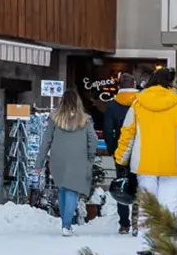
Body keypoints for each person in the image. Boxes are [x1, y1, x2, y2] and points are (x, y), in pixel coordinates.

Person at [115, 67, 177, 207]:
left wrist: (121, 159)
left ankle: (145, 230)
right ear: (171, 83)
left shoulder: (138, 104)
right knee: (168, 208)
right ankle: (165, 229)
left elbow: (127, 134)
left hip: (144, 163)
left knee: (147, 209)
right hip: (174, 164)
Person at [34, 87, 97, 236]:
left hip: (58, 159)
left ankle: (65, 223)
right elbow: (93, 140)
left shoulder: (54, 119)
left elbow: (46, 141)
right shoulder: (85, 120)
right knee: (72, 191)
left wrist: (39, 163)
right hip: (78, 159)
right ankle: (67, 225)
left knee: (62, 189)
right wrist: (90, 158)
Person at [103, 73, 139, 234]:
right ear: (135, 84)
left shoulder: (112, 105)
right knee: (141, 185)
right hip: (140, 150)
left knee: (121, 185)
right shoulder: (141, 102)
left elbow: (107, 130)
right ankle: (138, 221)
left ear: (119, 86)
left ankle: (124, 223)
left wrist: (112, 150)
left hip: (121, 150)